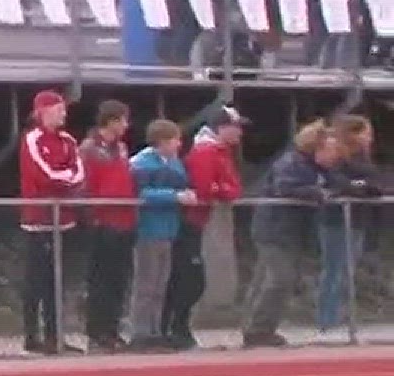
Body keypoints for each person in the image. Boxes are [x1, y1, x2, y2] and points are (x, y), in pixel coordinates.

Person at [243, 122, 348, 348]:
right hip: (274, 229)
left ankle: (258, 328)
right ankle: (258, 329)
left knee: (270, 280)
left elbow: (338, 183)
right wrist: (317, 193)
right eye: (329, 150)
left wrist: (354, 188)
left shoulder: (320, 169)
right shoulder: (291, 163)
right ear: (315, 147)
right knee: (279, 279)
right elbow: (285, 187)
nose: (334, 156)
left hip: (294, 231)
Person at [163, 107, 244, 349]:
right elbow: (206, 188)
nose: (239, 132)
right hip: (188, 220)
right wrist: (221, 189)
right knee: (189, 278)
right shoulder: (206, 152)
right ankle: (174, 326)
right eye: (236, 126)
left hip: (196, 220)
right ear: (223, 127)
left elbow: (233, 187)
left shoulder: (218, 152)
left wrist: (223, 189)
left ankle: (177, 326)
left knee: (188, 277)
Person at [18, 90, 84, 354]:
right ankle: (32, 335)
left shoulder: (68, 140)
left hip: (63, 219)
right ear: (42, 112)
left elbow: (78, 173)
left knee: (58, 281)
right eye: (58, 109)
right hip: (39, 220)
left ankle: (55, 335)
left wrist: (65, 180)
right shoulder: (32, 139)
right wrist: (64, 179)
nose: (64, 114)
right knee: (37, 280)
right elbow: (42, 174)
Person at [125, 120, 196, 351]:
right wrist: (174, 196)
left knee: (160, 284)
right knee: (146, 284)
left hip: (168, 228)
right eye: (175, 139)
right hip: (148, 229)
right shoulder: (142, 164)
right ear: (163, 141)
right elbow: (141, 193)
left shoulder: (174, 163)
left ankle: (155, 330)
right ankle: (141, 332)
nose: (179, 144)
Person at [78, 100, 136, 352]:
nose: (126, 125)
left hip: (125, 220)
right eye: (122, 120)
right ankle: (96, 332)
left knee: (118, 278)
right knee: (100, 278)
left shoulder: (121, 149)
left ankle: (112, 330)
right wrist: (91, 213)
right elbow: (83, 182)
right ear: (111, 121)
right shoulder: (90, 148)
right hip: (102, 220)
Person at [317, 115, 382, 339]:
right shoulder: (337, 156)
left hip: (357, 221)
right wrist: (358, 186)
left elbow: (376, 185)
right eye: (365, 133)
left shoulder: (364, 159)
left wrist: (363, 186)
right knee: (334, 269)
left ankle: (341, 317)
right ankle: (327, 320)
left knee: (348, 270)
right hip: (335, 221)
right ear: (352, 134)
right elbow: (339, 183)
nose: (370, 138)